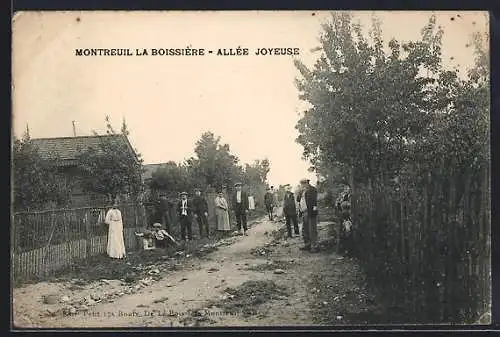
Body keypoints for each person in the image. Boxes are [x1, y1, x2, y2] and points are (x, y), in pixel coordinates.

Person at [297, 178, 319, 253]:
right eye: (301, 183)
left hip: (310, 212)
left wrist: (314, 210)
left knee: (312, 230)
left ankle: (314, 246)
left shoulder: (312, 190)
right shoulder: (302, 191)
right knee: (305, 230)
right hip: (304, 212)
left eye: (304, 183)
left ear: (307, 183)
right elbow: (299, 201)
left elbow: (314, 201)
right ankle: (307, 244)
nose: (302, 185)